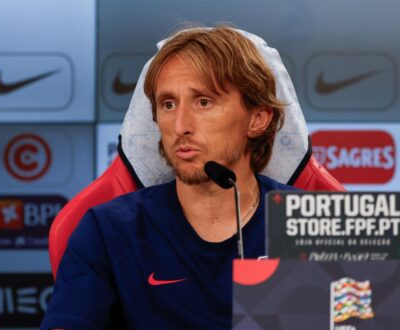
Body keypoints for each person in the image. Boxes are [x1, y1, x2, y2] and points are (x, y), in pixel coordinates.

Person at [40, 26, 297, 330]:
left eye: (204, 102)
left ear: (258, 118)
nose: (180, 126)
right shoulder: (108, 230)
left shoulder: (319, 226)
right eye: (168, 104)